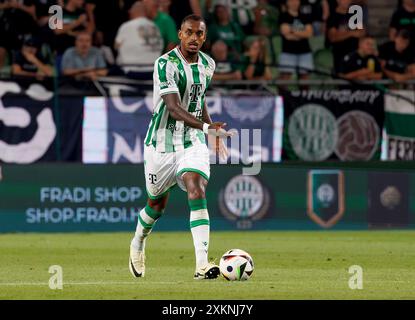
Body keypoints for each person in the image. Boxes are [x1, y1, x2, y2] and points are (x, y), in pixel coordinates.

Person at [129, 14, 234, 280]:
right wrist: (207, 128)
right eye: (189, 32)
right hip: (161, 144)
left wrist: (211, 130)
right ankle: (138, 242)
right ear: (180, 34)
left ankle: (201, 265)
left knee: (196, 187)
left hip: (192, 141)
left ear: (204, 37)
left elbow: (198, 101)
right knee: (156, 206)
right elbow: (174, 108)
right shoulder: (165, 64)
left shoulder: (209, 64)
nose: (194, 38)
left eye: (199, 34)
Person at [114, 1, 163, 79]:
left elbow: (116, 46)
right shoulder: (155, 26)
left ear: (133, 11)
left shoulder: (126, 26)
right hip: (154, 70)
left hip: (132, 70)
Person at [326, 0, 365, 74]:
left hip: (355, 53)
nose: (347, 1)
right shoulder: (333, 16)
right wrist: (350, 33)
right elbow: (333, 38)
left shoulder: (355, 13)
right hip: (340, 54)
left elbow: (361, 32)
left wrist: (343, 33)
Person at [279, 0, 314, 79]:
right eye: (291, 1)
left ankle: (303, 92)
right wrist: (302, 33)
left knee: (304, 79)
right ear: (287, 2)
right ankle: (282, 92)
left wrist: (291, 30)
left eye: (296, 0)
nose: (294, 3)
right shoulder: (283, 16)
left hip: (305, 52)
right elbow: (286, 34)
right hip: (288, 52)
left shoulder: (305, 16)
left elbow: (309, 33)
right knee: (285, 78)